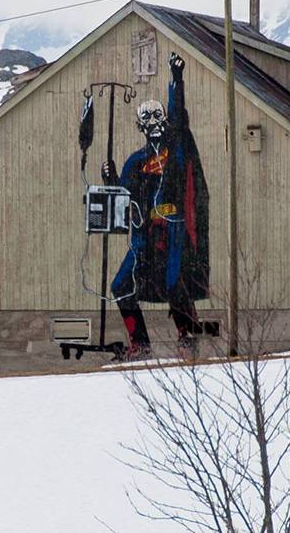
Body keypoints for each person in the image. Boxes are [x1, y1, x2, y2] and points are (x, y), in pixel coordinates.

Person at [102, 52, 209, 359]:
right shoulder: (136, 161)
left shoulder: (176, 151)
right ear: (140, 125)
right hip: (145, 236)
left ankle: (187, 334)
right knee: (121, 285)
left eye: (157, 116)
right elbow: (124, 196)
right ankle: (140, 343)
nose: (153, 123)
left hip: (174, 231)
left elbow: (179, 116)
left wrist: (176, 79)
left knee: (175, 280)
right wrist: (110, 179)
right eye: (146, 118)